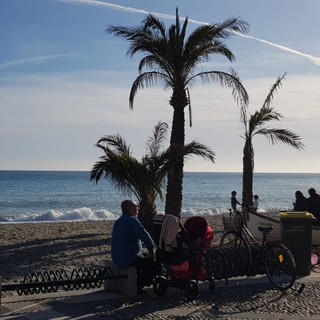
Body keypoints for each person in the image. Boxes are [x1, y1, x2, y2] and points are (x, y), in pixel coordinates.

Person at [111, 199, 162, 294]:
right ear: (130, 208)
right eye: (136, 207)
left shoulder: (119, 221)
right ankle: (138, 285)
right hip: (128, 258)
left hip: (117, 257)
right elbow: (146, 237)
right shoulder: (132, 220)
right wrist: (151, 252)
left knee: (142, 259)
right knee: (157, 267)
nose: (138, 209)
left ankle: (139, 282)